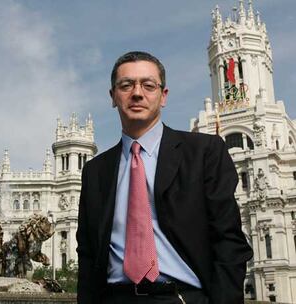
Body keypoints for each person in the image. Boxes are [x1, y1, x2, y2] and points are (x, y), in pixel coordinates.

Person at [76, 51, 253, 304]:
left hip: (181, 297)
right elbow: (88, 253)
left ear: (163, 96)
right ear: (113, 96)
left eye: (148, 85)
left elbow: (228, 240)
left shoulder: (204, 152)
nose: (137, 93)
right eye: (126, 85)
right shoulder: (95, 171)